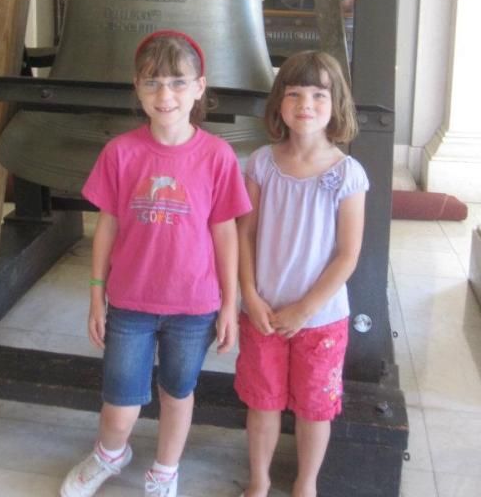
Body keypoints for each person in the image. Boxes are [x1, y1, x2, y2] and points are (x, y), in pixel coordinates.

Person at [60, 29, 252, 497]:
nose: (165, 95)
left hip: (194, 307)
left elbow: (225, 231)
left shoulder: (217, 155)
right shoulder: (120, 153)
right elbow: (106, 225)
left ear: (200, 87)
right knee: (119, 406)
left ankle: (166, 470)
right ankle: (111, 452)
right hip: (130, 304)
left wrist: (231, 303)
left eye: (177, 82)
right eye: (151, 83)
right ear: (137, 88)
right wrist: (94, 292)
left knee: (177, 393)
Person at [234, 50, 369, 497]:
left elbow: (347, 255)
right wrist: (249, 295)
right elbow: (245, 234)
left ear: (337, 104)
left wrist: (304, 308)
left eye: (318, 94)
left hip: (320, 320)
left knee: (315, 410)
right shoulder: (261, 164)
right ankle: (259, 482)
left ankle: (305, 485)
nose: (305, 104)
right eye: (294, 94)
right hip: (264, 313)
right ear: (279, 103)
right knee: (262, 403)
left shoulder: (348, 175)